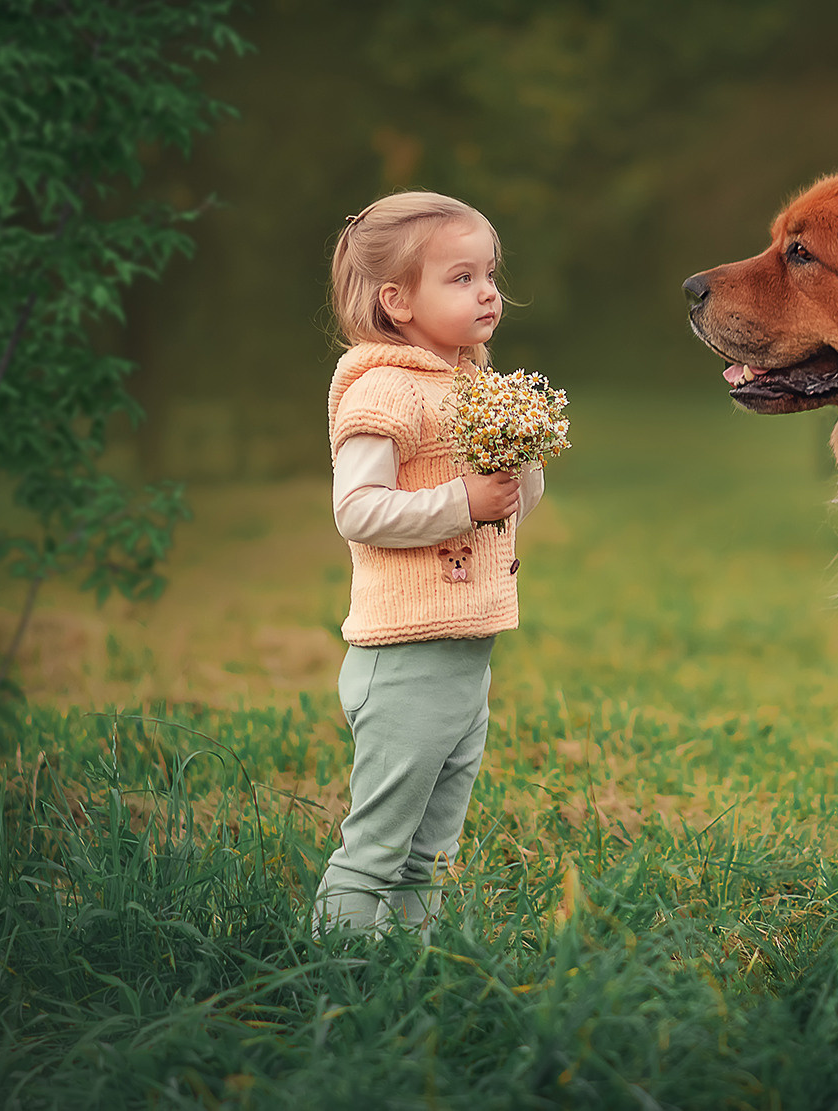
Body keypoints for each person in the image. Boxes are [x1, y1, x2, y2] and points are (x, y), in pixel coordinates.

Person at [315, 191, 543, 935]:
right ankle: (334, 974)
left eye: (490, 274)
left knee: (433, 848)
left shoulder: (473, 383)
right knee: (377, 845)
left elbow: (507, 504)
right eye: (461, 277)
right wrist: (463, 500)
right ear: (397, 301)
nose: (488, 292)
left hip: (466, 653)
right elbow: (358, 510)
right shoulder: (384, 388)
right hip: (405, 656)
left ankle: (408, 972)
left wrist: (520, 459)